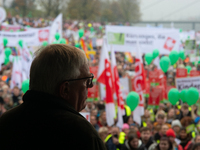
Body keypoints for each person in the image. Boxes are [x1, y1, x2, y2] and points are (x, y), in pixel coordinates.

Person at [0, 44, 106, 149]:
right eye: (87, 80)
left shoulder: (6, 122)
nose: (91, 85)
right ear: (65, 89)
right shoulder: (82, 134)